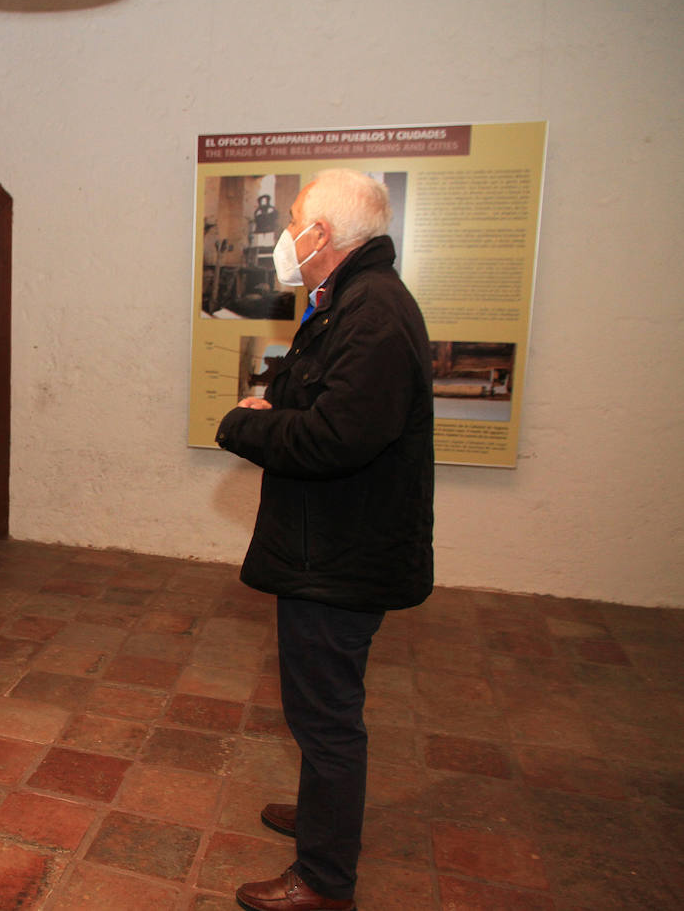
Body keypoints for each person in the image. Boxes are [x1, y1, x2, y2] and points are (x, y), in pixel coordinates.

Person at [215, 168, 433, 911]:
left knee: (327, 717)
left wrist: (246, 421)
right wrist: (274, 398)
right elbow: (318, 393)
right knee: (317, 708)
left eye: (297, 222)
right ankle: (321, 818)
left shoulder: (372, 313)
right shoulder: (351, 303)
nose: (287, 238)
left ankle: (323, 879)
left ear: (323, 236)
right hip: (328, 544)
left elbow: (337, 438)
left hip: (339, 555)